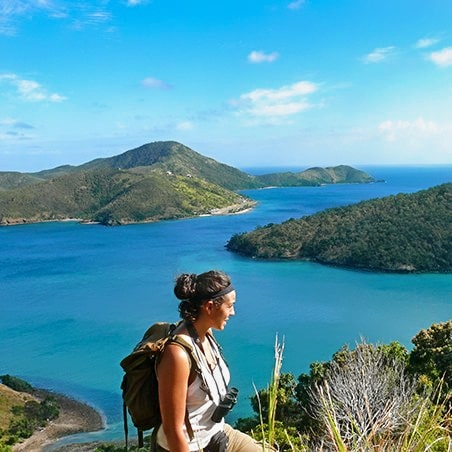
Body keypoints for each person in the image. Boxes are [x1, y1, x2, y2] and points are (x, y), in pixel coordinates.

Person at [156, 270, 263, 452]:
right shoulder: (177, 355)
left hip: (216, 433)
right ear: (210, 307)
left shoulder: (206, 334)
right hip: (189, 446)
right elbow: (173, 430)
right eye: (230, 306)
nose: (233, 312)